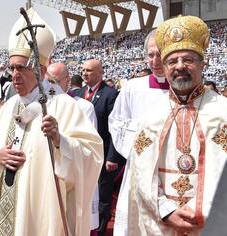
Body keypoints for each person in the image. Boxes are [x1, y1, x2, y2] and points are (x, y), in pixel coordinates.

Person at [0, 8, 103, 235]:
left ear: (41, 70)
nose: (14, 74)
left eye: (22, 67)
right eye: (12, 67)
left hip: (41, 208)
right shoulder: (8, 108)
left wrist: (60, 141)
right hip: (6, 202)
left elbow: (91, 154)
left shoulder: (63, 105)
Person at [128, 15, 227, 235]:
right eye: (172, 61)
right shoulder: (151, 117)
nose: (180, 66)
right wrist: (165, 210)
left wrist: (200, 209)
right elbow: (140, 172)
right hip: (163, 222)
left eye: (188, 59)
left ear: (203, 63)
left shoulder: (224, 112)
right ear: (164, 67)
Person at [109, 30, 170, 236]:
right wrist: (139, 149)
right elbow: (117, 122)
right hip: (138, 167)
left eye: (160, 54)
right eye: (150, 54)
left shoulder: (183, 89)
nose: (155, 60)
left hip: (170, 170)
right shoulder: (133, 88)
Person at [44, 62, 100, 234]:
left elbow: (87, 149)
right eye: (47, 81)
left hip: (74, 176)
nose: (49, 86)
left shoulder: (83, 106)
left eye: (54, 81)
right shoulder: (42, 105)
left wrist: (61, 141)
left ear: (67, 80)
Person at [75, 59, 124, 236]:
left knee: (103, 196)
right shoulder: (78, 94)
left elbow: (115, 129)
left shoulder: (111, 95)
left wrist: (112, 157)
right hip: (82, 156)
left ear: (100, 73)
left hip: (103, 156)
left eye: (88, 70)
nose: (84, 73)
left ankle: (101, 230)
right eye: (83, 70)